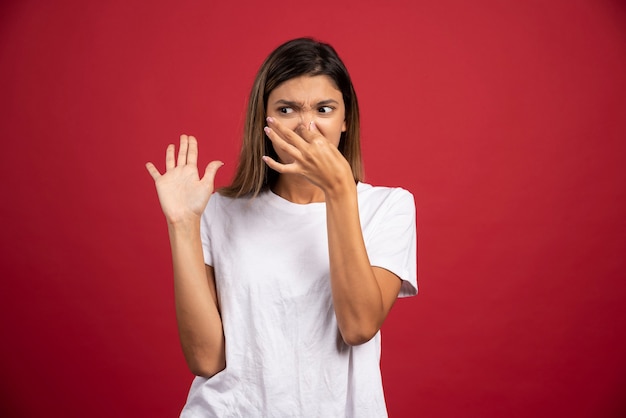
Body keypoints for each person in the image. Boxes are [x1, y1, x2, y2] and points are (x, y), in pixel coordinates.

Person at [146, 37, 417, 417]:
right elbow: (205, 359)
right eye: (287, 109)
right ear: (264, 121)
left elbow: (358, 327)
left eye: (324, 109)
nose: (307, 127)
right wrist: (182, 224)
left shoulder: (387, 207)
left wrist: (339, 189)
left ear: (345, 121)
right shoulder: (219, 211)